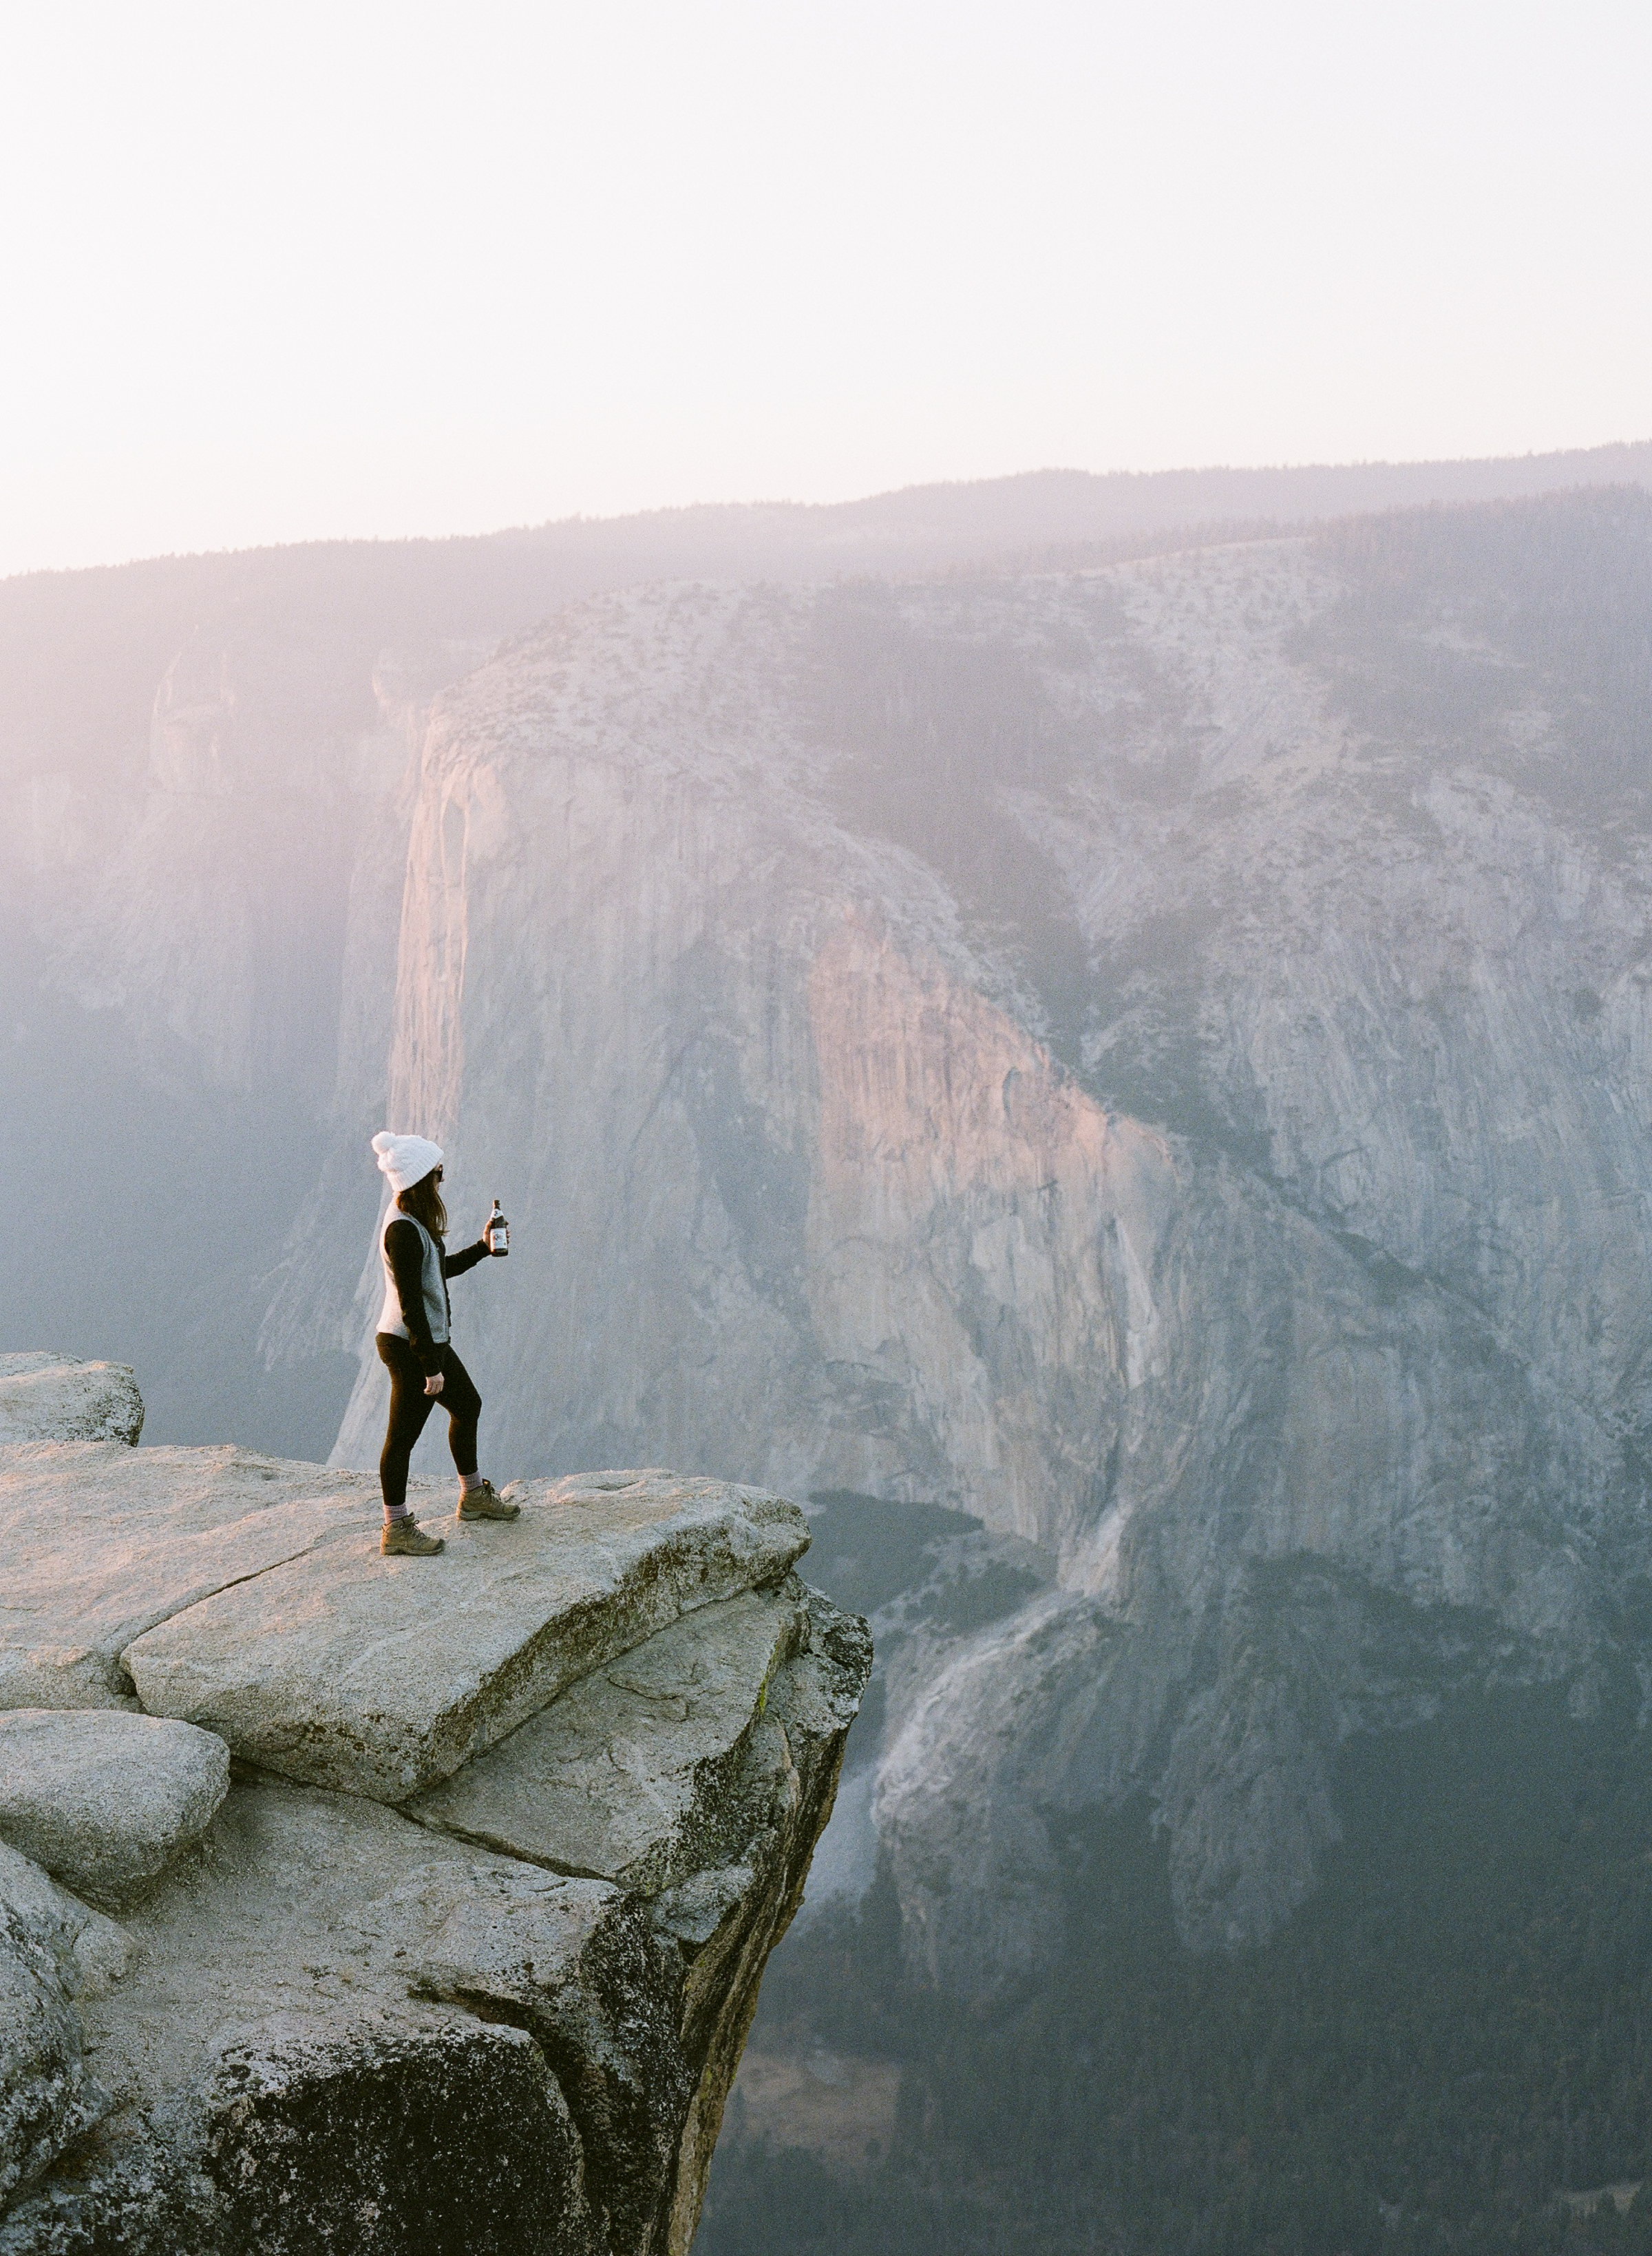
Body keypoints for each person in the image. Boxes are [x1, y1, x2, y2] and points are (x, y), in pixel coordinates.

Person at [369, 1130, 519, 1558]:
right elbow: (412, 1304)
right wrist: (429, 1366)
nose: (442, 1180)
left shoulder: (413, 1222)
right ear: (420, 1180)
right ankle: (395, 1528)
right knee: (402, 1438)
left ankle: (472, 1497)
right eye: (438, 1173)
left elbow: (436, 1272)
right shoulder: (402, 1231)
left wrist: (482, 1249)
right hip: (409, 1344)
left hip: (424, 1341)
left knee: (467, 1405)